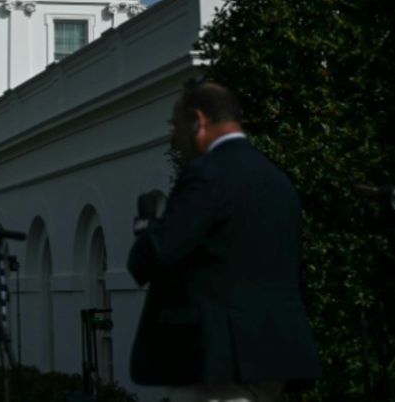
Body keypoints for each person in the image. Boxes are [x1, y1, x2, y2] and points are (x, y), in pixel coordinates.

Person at [127, 82, 321, 402]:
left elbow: (154, 256)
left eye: (177, 127)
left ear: (198, 121)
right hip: (273, 360)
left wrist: (148, 226)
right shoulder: (278, 181)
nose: (175, 139)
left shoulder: (207, 175)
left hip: (218, 363)